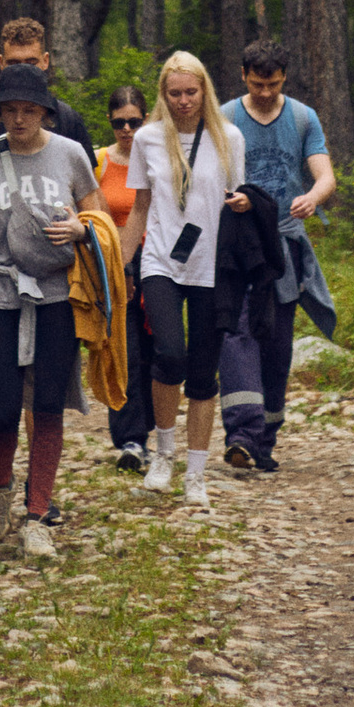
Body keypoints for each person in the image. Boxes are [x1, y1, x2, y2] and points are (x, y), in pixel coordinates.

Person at [0, 20, 91, 518]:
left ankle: (37, 511)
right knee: (2, 406)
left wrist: (81, 230)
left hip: (56, 293)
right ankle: (2, 484)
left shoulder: (70, 153)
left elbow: (99, 215)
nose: (19, 118)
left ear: (46, 111)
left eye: (29, 110)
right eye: (10, 110)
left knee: (48, 404)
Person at [117, 51, 246, 515]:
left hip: (213, 264)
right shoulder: (149, 138)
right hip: (161, 262)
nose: (184, 101)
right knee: (168, 352)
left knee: (203, 370)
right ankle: (164, 454)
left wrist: (247, 211)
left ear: (205, 91)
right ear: (163, 95)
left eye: (192, 92)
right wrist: (120, 264)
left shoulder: (228, 136)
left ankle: (196, 473)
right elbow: (139, 208)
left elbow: (238, 199)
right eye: (175, 93)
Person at [223, 34, 336, 477]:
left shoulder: (304, 118)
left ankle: (265, 438)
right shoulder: (228, 117)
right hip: (236, 243)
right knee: (236, 332)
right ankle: (241, 435)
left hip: (284, 243)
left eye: (272, 85)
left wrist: (313, 197)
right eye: (257, 85)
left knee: (276, 343)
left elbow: (325, 174)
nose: (265, 94)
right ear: (244, 77)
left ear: (284, 78)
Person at [97, 84, 155, 470]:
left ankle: (154, 427)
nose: (127, 130)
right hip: (116, 267)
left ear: (146, 119)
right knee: (124, 351)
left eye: (134, 121)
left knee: (159, 352)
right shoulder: (99, 161)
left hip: (159, 264)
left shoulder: (158, 160)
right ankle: (130, 437)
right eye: (120, 122)